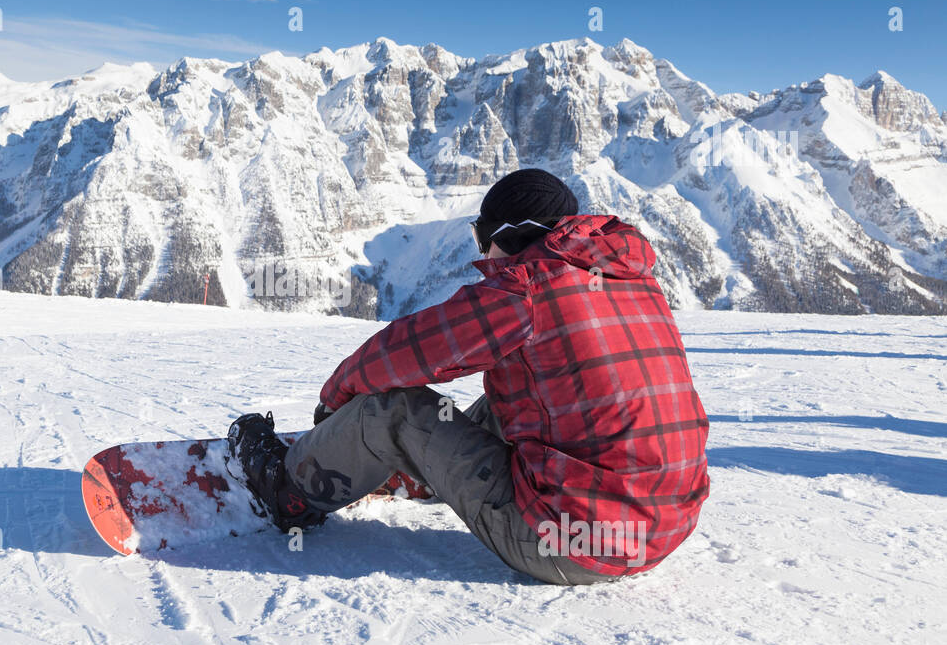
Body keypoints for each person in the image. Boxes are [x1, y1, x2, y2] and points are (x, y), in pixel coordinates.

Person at [229, 168, 710, 586]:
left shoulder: (526, 288)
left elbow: (404, 352)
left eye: (483, 237)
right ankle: (426, 476)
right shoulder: (634, 280)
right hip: (663, 528)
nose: (483, 253)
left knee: (390, 411)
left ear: (513, 235)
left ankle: (289, 492)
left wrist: (335, 405)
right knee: (524, 392)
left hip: (566, 542)